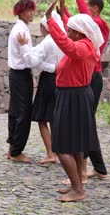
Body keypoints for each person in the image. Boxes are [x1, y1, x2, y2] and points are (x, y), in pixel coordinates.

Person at [46, 0, 104, 202]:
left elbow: (66, 44)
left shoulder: (81, 47)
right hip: (73, 96)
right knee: (76, 144)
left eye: (70, 29)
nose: (67, 31)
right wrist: (61, 14)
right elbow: (68, 33)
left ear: (79, 33)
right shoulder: (86, 43)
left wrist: (50, 20)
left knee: (61, 147)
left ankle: (78, 191)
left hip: (73, 97)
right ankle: (76, 183)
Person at [61, 0, 110, 185]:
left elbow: (84, 21)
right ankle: (95, 169)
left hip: (91, 80)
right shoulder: (85, 30)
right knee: (85, 125)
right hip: (87, 79)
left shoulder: (100, 26)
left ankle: (83, 173)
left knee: (84, 126)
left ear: (95, 10)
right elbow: (73, 22)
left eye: (87, 8)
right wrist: (62, 10)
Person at [17, 12, 65, 164]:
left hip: (49, 81)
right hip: (61, 80)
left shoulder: (48, 42)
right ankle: (59, 151)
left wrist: (24, 47)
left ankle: (51, 153)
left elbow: (32, 60)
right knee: (55, 118)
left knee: (43, 118)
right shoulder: (63, 39)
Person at [6, 0, 36, 163]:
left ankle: (12, 147)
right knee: (23, 113)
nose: (31, 13)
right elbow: (29, 58)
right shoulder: (21, 31)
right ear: (20, 11)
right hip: (21, 73)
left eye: (32, 10)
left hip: (16, 74)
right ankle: (17, 151)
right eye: (28, 10)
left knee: (15, 111)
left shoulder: (19, 28)